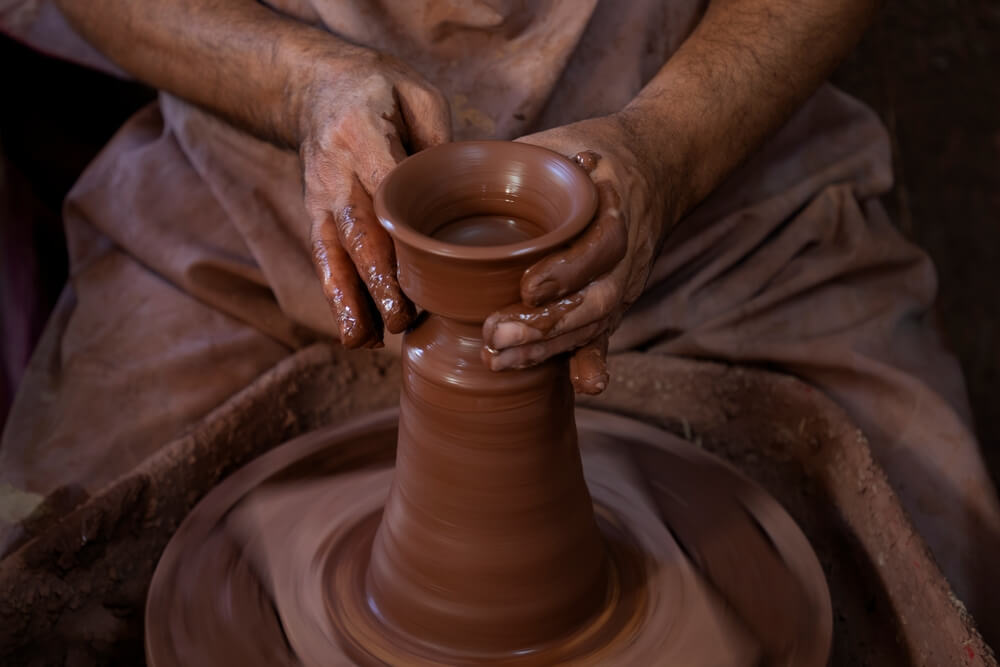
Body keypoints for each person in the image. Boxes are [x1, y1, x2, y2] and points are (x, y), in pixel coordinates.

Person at [2, 0, 999, 644]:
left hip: (714, 183)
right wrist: (300, 83)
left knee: (926, 563)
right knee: (54, 580)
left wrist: (669, 152)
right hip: (253, 190)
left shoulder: (691, 163)